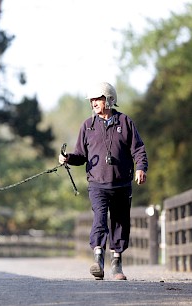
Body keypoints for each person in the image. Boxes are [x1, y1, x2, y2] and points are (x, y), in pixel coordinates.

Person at [59, 82, 148, 281]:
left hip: (122, 183)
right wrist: (68, 158)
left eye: (97, 99)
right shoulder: (87, 126)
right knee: (99, 218)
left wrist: (141, 167)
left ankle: (116, 264)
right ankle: (98, 258)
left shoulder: (124, 122)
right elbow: (81, 155)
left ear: (109, 99)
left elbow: (139, 149)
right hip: (97, 184)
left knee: (120, 221)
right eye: (92, 100)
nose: (93, 103)